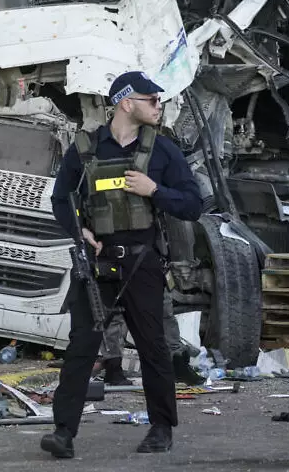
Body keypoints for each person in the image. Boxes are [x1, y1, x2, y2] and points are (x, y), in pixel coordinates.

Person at [40, 71, 203, 458]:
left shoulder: (164, 151)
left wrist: (155, 190)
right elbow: (61, 200)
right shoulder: (86, 149)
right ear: (127, 102)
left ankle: (161, 428)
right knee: (82, 346)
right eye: (153, 100)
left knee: (153, 347)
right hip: (97, 264)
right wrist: (81, 232)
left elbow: (193, 204)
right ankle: (63, 432)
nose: (159, 106)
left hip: (142, 262)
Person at [98, 290, 204, 387]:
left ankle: (178, 363)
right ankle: (113, 367)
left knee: (163, 308)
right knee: (114, 311)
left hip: (150, 271)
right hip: (118, 273)